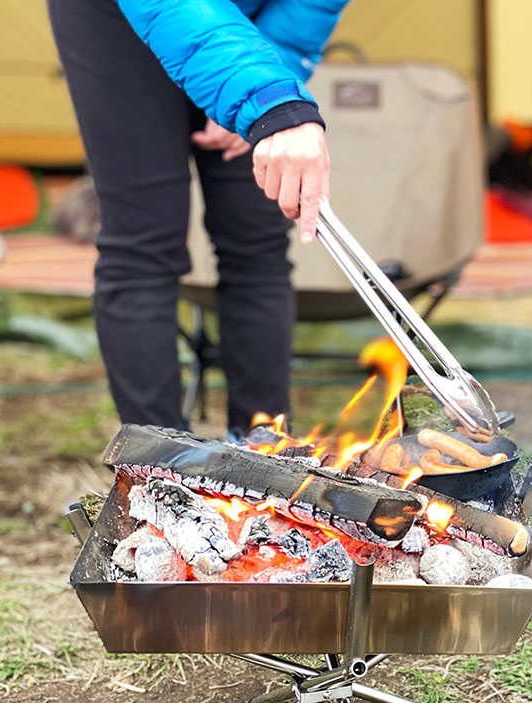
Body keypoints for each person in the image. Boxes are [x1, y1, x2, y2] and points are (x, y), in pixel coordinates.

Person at [48, 0, 346, 435]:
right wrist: (263, 98)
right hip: (118, 20)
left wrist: (263, 76)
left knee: (257, 241)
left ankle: (264, 454)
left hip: (253, 23)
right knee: (143, 243)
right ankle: (162, 470)